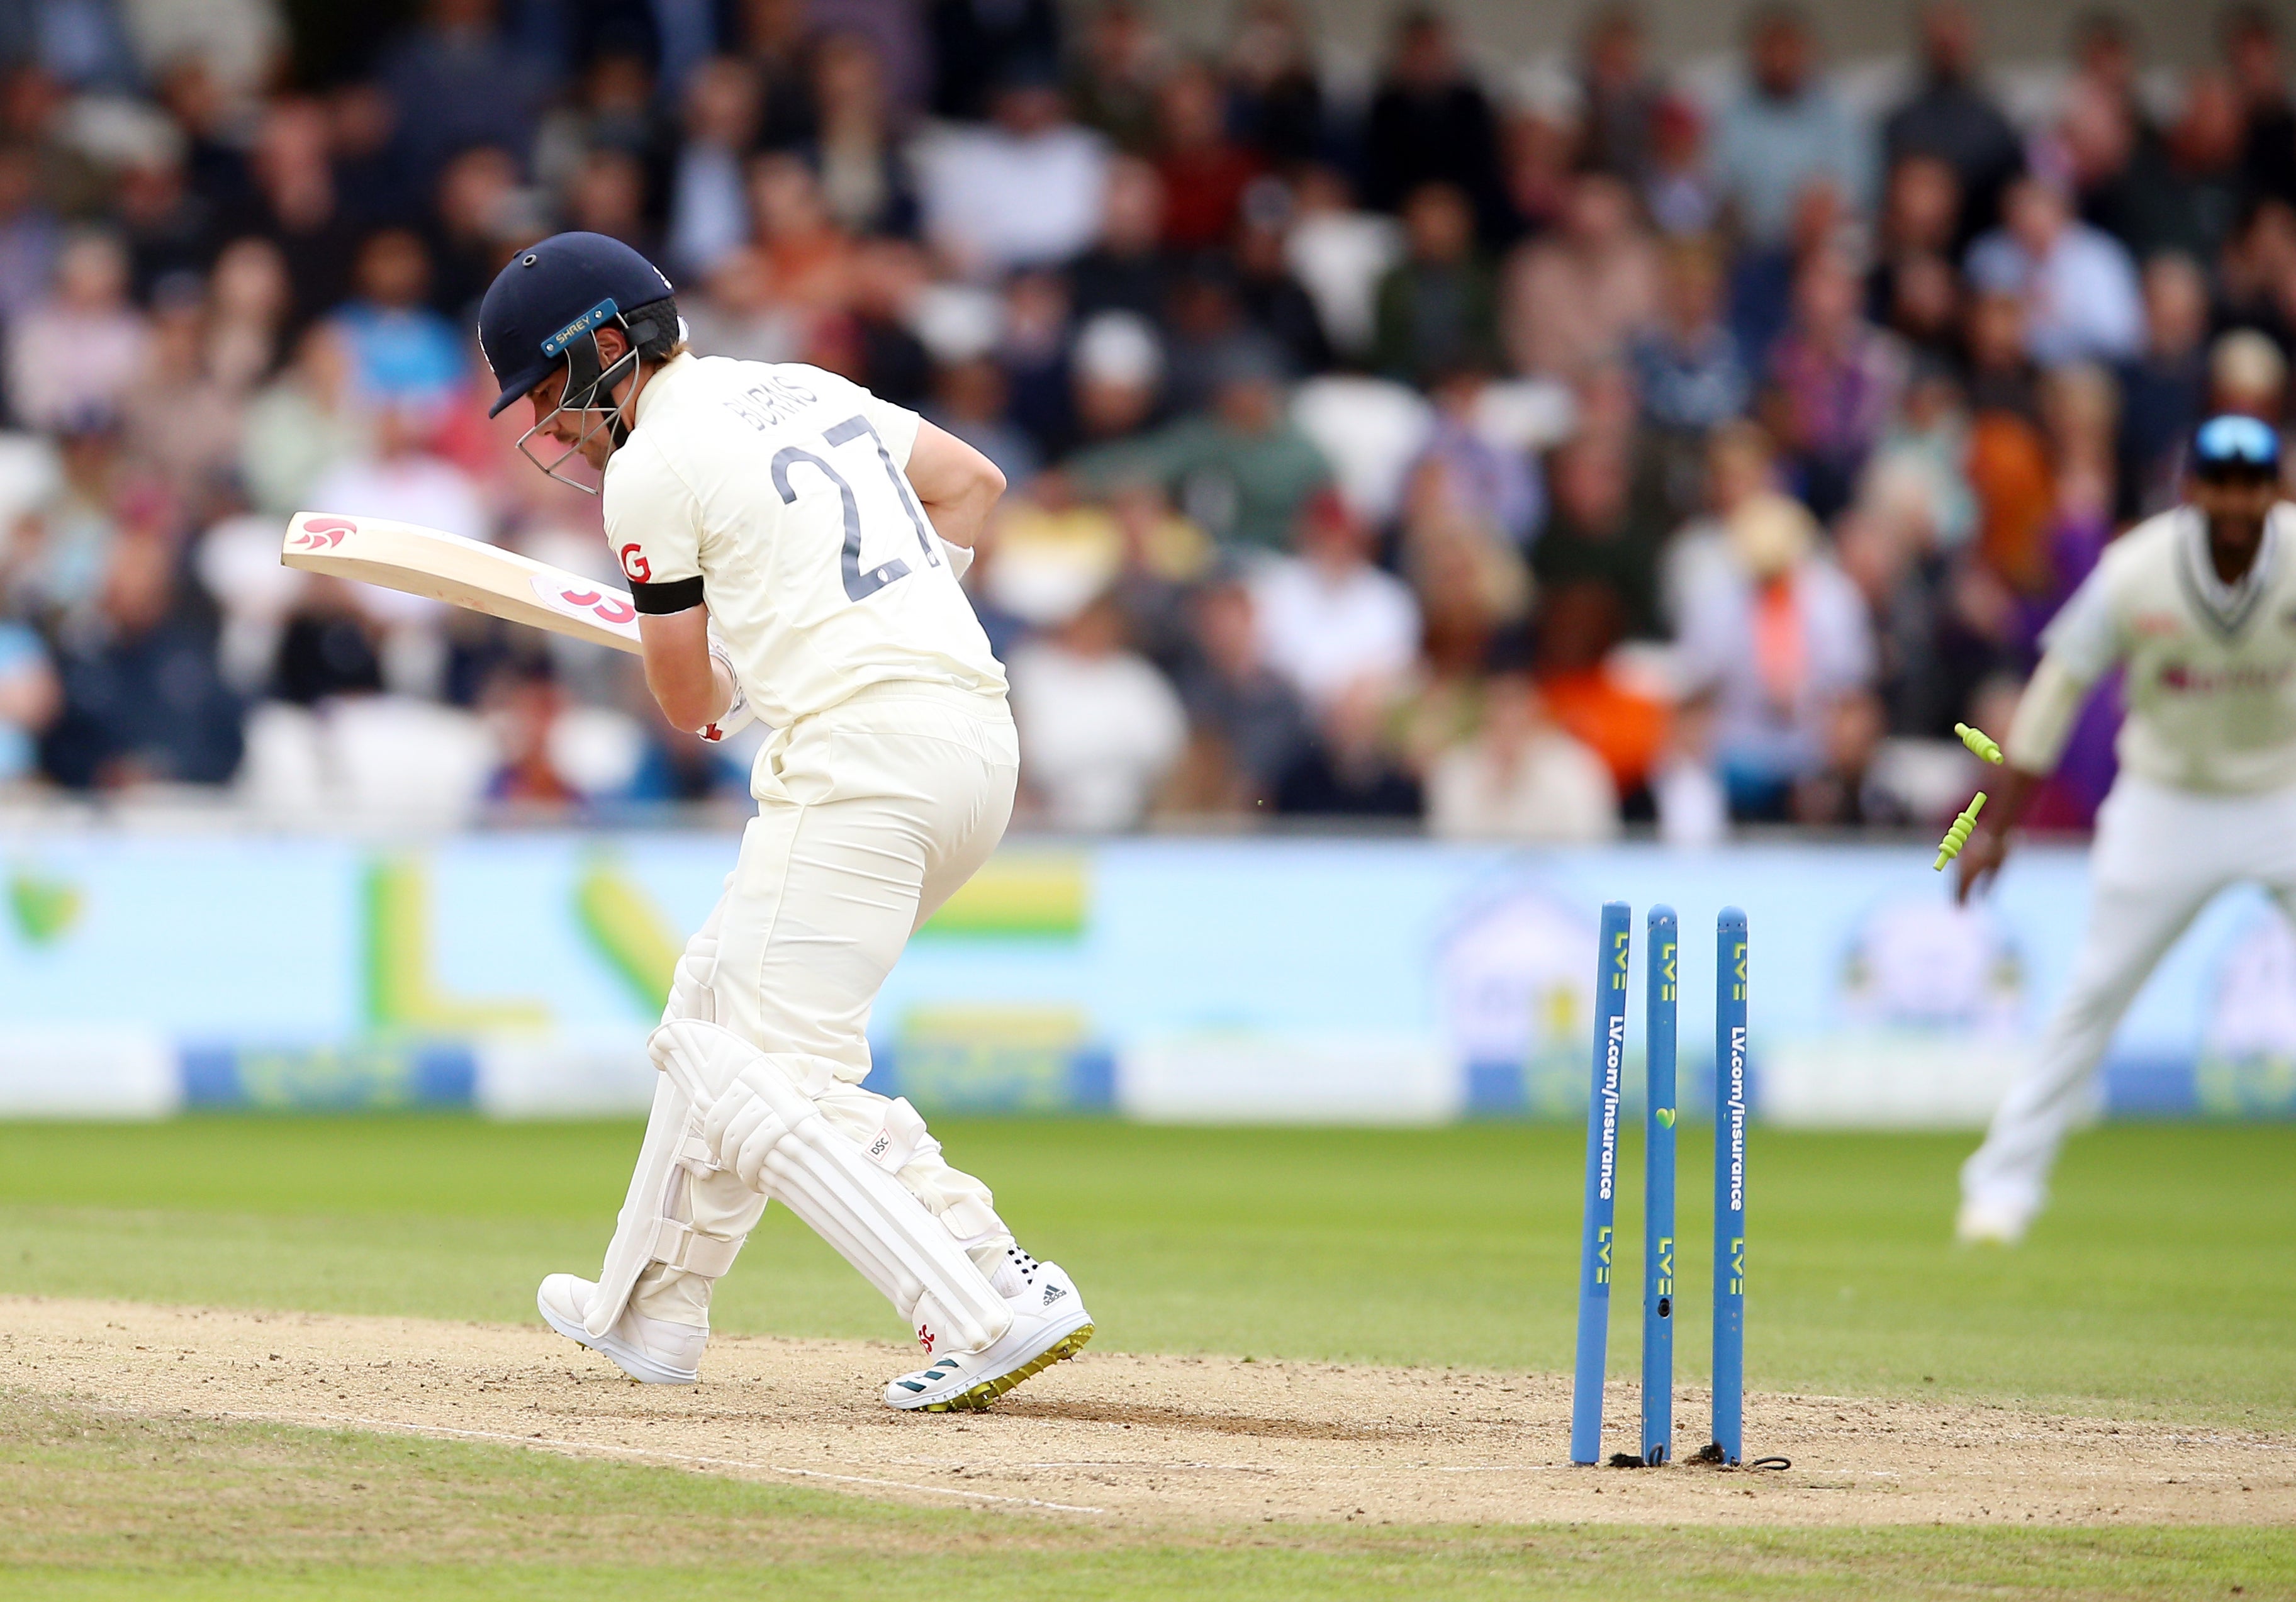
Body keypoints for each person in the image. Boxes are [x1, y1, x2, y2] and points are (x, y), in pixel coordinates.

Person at [478, 232, 1091, 1409]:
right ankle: (649, 1310)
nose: (551, 428)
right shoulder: (800, 385)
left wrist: (727, 697)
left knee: (759, 1067)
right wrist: (825, 635)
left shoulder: (650, 466)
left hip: (859, 761)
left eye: (551, 392)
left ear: (608, 347)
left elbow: (679, 695)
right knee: (712, 999)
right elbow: (973, 486)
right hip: (973, 739)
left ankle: (983, 1295)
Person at [1953, 416, 2296, 1244]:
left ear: (2271, 489)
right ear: (2193, 489)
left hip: (2283, 791)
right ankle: (1999, 1189)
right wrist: (1998, 826)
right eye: (2220, 481)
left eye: (2253, 483)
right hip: (2164, 799)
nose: (2237, 500)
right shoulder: (2135, 570)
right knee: (2093, 992)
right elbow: (2057, 686)